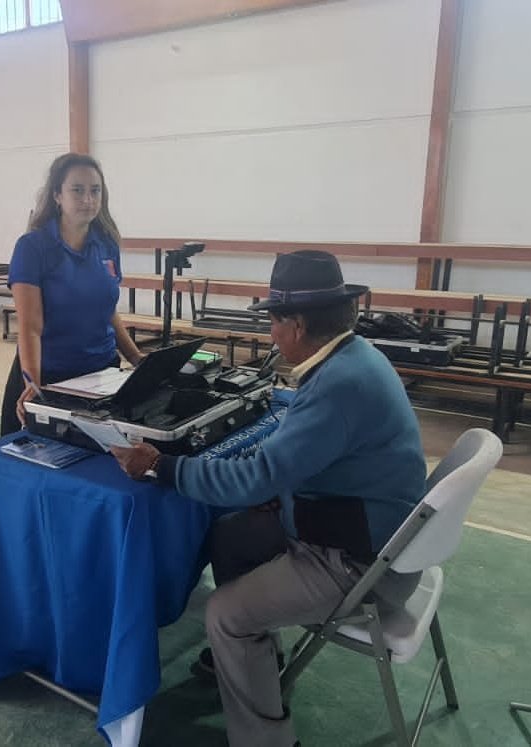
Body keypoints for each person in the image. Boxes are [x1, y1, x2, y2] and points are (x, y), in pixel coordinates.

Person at [111, 250, 428, 747]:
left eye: (274, 324)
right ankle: (252, 657)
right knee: (233, 536)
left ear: (297, 325)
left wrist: (161, 465)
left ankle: (266, 739)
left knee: (224, 613)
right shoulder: (358, 357)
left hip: (361, 563)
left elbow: (255, 477)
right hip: (375, 531)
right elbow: (298, 463)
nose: (271, 335)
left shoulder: (337, 386)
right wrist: (279, 489)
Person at [0, 153, 144, 435]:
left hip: (102, 375)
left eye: (95, 191)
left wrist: (137, 359)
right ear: (57, 195)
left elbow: (106, 310)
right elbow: (30, 328)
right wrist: (32, 384)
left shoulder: (106, 245)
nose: (87, 199)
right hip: (51, 379)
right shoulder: (33, 248)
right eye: (77, 190)